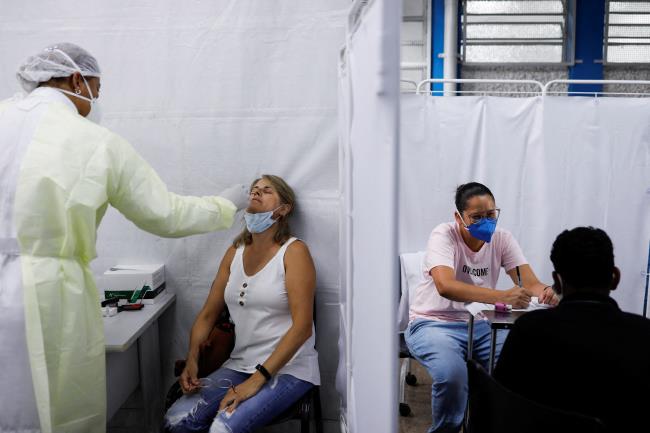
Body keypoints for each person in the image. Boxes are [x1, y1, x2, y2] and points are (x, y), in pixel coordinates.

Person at [0, 43, 250, 433]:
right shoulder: (94, 142)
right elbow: (165, 214)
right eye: (95, 92)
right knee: (57, 413)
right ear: (77, 80)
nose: (95, 103)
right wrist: (225, 205)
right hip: (50, 295)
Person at [164, 175, 320, 433]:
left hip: (290, 369)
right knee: (176, 421)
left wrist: (256, 381)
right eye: (254, 190)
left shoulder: (294, 252)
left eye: (266, 191)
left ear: (284, 209)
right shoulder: (234, 252)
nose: (256, 193)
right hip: (239, 364)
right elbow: (207, 316)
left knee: (222, 428)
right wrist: (192, 359)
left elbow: (302, 327)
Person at [404, 182, 557, 433]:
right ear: (458, 217)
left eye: (491, 215)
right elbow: (446, 286)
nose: (486, 223)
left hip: (480, 325)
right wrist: (502, 296)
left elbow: (529, 283)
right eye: (477, 217)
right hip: (433, 323)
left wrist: (547, 293)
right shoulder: (443, 235)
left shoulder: (502, 239)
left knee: (517, 367)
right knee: (452, 375)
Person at [494, 227, 650, 432]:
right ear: (615, 277)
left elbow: (499, 407)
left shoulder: (529, 330)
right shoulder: (643, 335)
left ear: (557, 281)